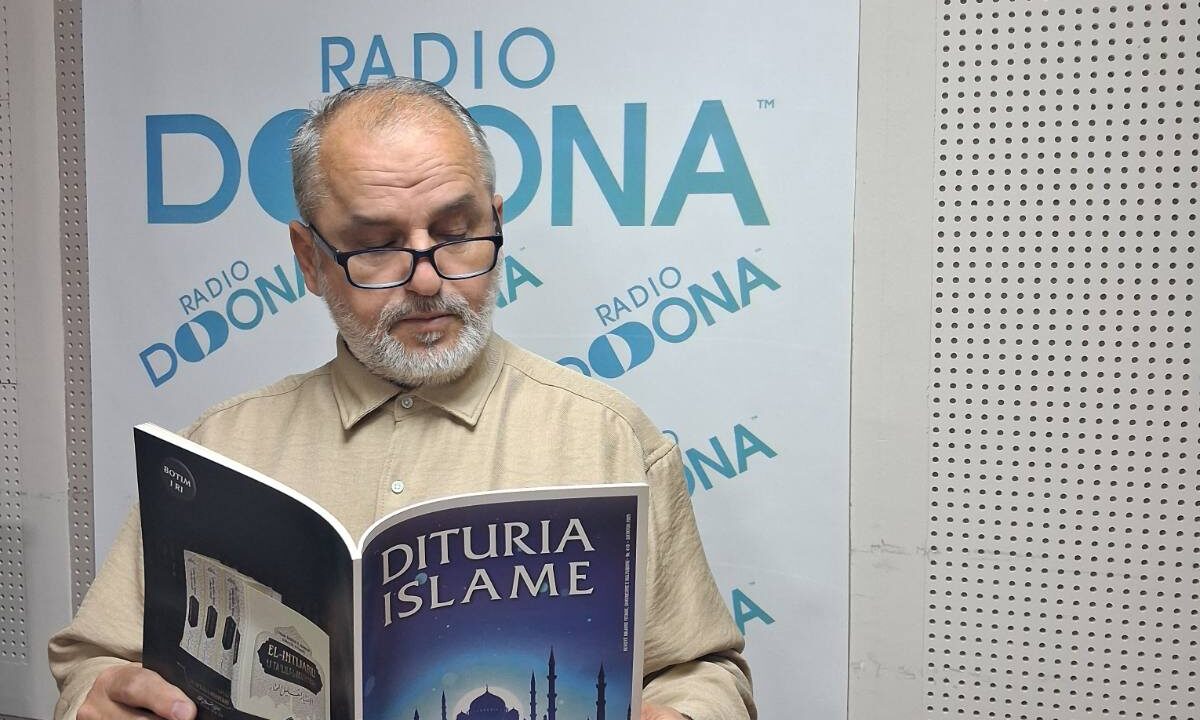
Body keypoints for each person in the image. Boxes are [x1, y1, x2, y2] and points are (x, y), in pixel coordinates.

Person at [48, 77, 754, 720]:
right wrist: (95, 699)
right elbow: (94, 661)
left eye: (456, 233)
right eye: (377, 246)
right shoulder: (219, 449)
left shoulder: (609, 438)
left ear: (497, 223)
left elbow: (704, 673)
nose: (427, 280)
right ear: (309, 259)